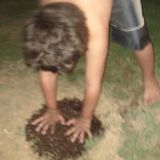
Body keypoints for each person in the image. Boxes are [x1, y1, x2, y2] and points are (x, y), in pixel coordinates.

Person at [23, 0, 160, 144]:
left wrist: (85, 118)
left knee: (136, 39)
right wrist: (51, 109)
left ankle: (149, 78)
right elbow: (47, 69)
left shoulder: (94, 28)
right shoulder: (46, 11)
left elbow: (92, 83)